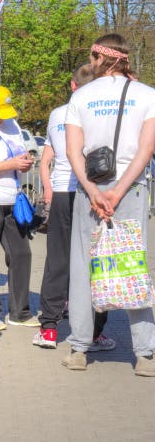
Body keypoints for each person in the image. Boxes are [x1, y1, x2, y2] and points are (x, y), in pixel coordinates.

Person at [62, 33, 155, 375]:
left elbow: (73, 151)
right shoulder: (147, 96)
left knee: (84, 265)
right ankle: (145, 355)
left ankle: (78, 350)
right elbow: (146, 149)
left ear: (100, 58)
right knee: (131, 263)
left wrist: (95, 190)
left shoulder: (81, 96)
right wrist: (120, 191)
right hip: (130, 190)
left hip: (92, 189)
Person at [35, 64, 114, 350]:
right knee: (96, 260)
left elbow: (46, 159)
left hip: (61, 192)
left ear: (72, 85)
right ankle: (94, 332)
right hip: (91, 191)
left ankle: (49, 329)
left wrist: (47, 187)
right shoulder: (100, 112)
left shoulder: (58, 114)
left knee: (57, 260)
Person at [0, 86, 38, 330]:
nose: (3, 117)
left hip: (14, 199)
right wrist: (8, 164)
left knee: (22, 254)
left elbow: (19, 154)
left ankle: (19, 312)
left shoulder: (12, 126)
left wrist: (23, 164)